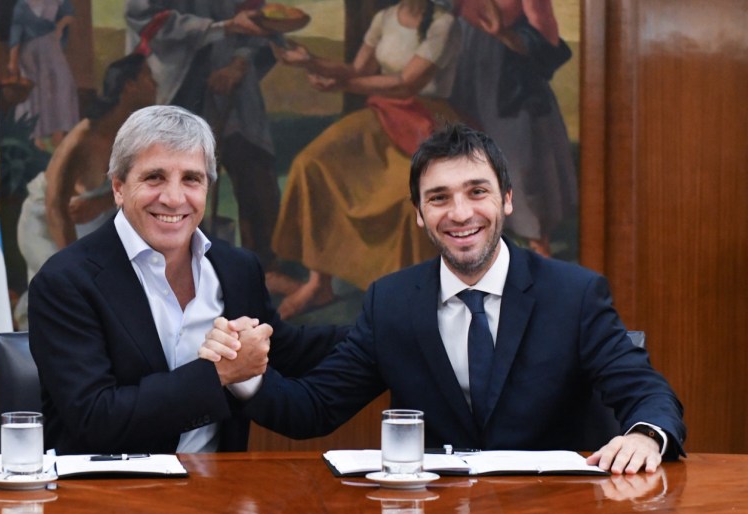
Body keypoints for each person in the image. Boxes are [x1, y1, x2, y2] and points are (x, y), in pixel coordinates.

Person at [200, 124, 686, 474]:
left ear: (507, 200)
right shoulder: (390, 302)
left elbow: (645, 391)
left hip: (552, 507)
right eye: (438, 198)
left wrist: (646, 433)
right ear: (418, 213)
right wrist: (244, 378)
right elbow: (315, 408)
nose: (460, 213)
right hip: (436, 509)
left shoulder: (574, 294)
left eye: (477, 191)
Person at [27, 105, 347, 455]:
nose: (174, 198)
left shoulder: (237, 268)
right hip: (108, 497)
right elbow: (96, 418)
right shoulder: (65, 281)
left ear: (207, 187)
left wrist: (387, 324)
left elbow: (282, 350)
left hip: (218, 495)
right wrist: (218, 375)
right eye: (154, 178)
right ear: (118, 187)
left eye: (191, 179)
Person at [267, 0, 463, 318]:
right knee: (311, 162)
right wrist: (308, 61)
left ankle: (406, 302)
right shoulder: (384, 18)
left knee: (406, 200)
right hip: (384, 114)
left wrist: (344, 84)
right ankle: (319, 283)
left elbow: (406, 83)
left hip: (428, 121)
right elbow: (358, 70)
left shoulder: (444, 24)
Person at [125, 1, 289, 293]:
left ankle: (263, 269)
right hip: (179, 83)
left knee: (254, 169)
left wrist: (239, 61)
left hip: (235, 83)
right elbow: (148, 22)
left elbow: (258, 21)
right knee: (172, 183)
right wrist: (221, 28)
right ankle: (174, 272)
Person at [14, 53, 156, 330]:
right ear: (129, 85)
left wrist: (101, 203)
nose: (155, 83)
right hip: (46, 222)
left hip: (87, 226)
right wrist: (72, 263)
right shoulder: (83, 138)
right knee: (59, 287)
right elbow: (55, 205)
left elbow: (141, 189)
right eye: (148, 76)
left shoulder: (134, 139)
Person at [448, 0, 577, 256]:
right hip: (462, 72)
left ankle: (539, 247)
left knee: (519, 161)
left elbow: (547, 45)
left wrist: (502, 34)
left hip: (509, 82)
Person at [7, 0, 80, 150]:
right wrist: (12, 60)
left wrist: (60, 25)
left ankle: (58, 136)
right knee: (37, 91)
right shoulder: (22, 5)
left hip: (52, 47)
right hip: (31, 52)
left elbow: (69, 13)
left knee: (62, 85)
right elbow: (16, 31)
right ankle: (36, 139)